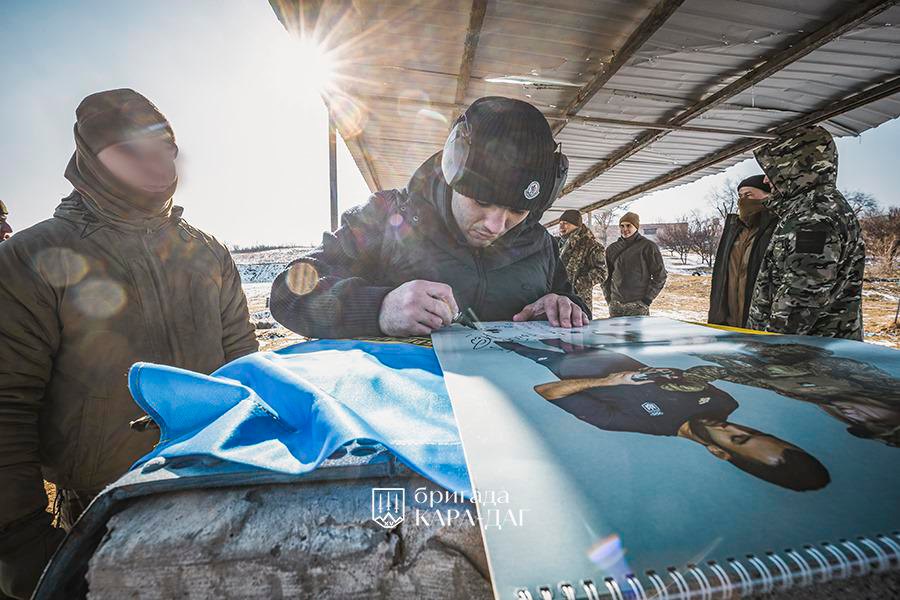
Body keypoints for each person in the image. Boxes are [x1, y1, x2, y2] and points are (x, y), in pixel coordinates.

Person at [0, 88, 258, 599]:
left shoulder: (207, 253)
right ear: (92, 160)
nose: (154, 160)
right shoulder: (33, 257)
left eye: (163, 144)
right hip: (100, 507)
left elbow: (247, 368)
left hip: (220, 483)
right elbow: (6, 406)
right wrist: (20, 541)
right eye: (129, 148)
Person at [271, 97, 590, 338]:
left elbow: (576, 306)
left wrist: (563, 307)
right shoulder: (385, 217)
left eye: (517, 211)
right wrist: (379, 308)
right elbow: (288, 293)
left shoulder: (541, 245)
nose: (495, 225)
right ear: (453, 174)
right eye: (481, 201)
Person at [497, 338, 829, 492]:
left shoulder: (638, 425)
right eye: (756, 431)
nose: (730, 426)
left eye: (737, 438)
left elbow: (547, 392)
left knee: (502, 337)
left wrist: (607, 382)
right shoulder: (724, 402)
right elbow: (681, 374)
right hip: (588, 342)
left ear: (718, 452)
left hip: (552, 360)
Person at [746, 126, 865, 339]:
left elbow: (801, 297)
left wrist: (768, 348)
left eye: (772, 170)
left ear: (794, 167)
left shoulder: (813, 217)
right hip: (813, 348)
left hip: (805, 355)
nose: (766, 180)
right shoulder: (817, 207)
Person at [707, 175, 778, 328]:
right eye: (740, 196)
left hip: (759, 321)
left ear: (768, 195)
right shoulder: (734, 229)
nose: (743, 200)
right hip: (729, 320)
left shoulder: (776, 227)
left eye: (749, 195)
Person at [603, 212, 666, 317]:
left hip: (638, 305)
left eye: (628, 225)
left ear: (636, 227)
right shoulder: (612, 249)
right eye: (622, 226)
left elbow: (660, 276)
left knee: (635, 334)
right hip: (616, 305)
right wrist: (609, 299)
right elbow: (605, 277)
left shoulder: (648, 247)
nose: (625, 229)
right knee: (614, 333)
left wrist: (647, 300)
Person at [556, 209, 607, 308]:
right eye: (560, 223)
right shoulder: (558, 244)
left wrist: (577, 285)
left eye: (566, 223)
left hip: (579, 300)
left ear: (576, 225)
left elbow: (602, 272)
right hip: (558, 298)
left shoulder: (591, 245)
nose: (561, 226)